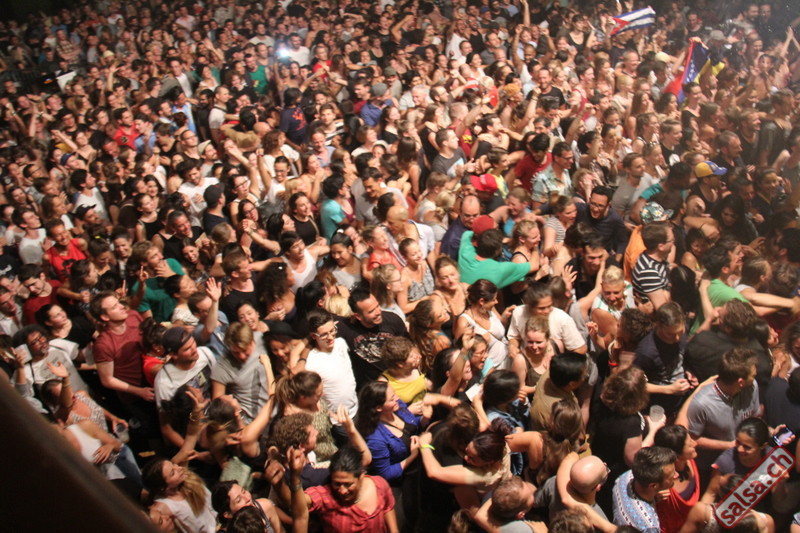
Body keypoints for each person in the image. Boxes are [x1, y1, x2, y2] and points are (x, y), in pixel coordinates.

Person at [288, 445, 399, 533]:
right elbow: (300, 507)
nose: (342, 491)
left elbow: (388, 512)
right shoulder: (326, 497)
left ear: (361, 476)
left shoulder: (379, 485)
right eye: (337, 484)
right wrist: (295, 477)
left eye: (348, 484)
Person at [612, 447, 677, 532]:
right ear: (653, 485)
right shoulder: (649, 526)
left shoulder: (625, 477)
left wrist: (654, 498)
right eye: (671, 476)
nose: (676, 475)